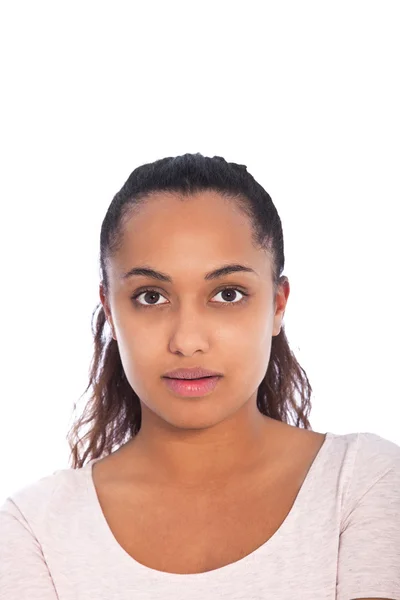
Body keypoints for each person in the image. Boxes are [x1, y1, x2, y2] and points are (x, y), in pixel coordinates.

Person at [1, 153, 399, 599]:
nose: (187, 340)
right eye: (151, 296)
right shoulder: (34, 531)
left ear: (278, 305)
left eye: (227, 294)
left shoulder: (365, 483)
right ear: (111, 311)